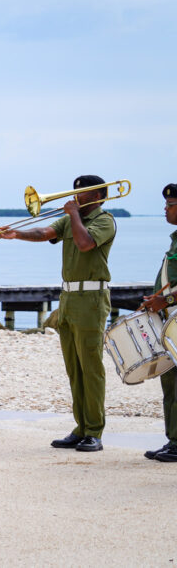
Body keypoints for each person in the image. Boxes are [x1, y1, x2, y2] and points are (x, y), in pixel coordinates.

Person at [0, 175, 116, 452]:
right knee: (74, 368)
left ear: (98, 196)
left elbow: (85, 243)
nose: (76, 196)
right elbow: (45, 233)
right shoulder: (71, 219)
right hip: (69, 297)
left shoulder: (104, 220)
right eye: (75, 191)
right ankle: (81, 427)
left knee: (91, 368)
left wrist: (74, 214)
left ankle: (95, 431)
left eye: (83, 192)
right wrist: (17, 234)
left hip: (91, 297)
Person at [141, 183, 177, 462]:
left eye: (171, 205)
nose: (165, 209)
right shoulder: (175, 239)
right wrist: (158, 296)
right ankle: (173, 439)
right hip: (170, 322)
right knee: (170, 381)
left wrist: (166, 300)